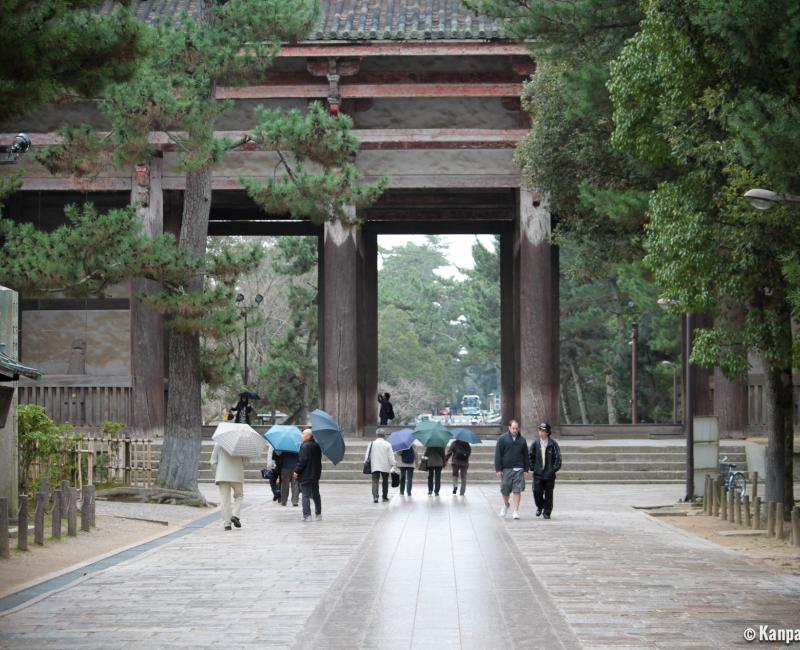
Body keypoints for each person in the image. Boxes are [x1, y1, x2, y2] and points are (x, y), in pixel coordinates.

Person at [494, 419, 529, 520]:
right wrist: (498, 469)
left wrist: (526, 469)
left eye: (516, 428)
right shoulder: (502, 439)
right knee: (505, 489)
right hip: (506, 469)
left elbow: (526, 456)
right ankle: (506, 505)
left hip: (519, 469)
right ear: (509, 428)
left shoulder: (522, 440)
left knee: (517, 490)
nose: (515, 430)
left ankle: (516, 511)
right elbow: (498, 455)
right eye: (513, 428)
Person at [530, 422, 562, 519]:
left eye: (543, 431)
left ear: (548, 432)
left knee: (549, 494)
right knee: (536, 491)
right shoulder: (535, 443)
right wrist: (532, 467)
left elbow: (558, 458)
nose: (541, 432)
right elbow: (530, 456)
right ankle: (540, 506)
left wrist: (553, 469)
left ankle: (547, 512)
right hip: (538, 473)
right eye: (540, 430)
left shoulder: (553, 444)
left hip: (549, 474)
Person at [210, 442, 245, 531]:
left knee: (225, 500)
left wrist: (217, 474)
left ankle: (227, 524)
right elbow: (245, 461)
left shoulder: (219, 443)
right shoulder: (241, 445)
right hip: (236, 475)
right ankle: (235, 515)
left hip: (222, 475)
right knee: (239, 495)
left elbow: (212, 461)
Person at [293, 428, 322, 522]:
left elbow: (302, 461)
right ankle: (318, 514)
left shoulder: (305, 446)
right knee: (316, 495)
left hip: (306, 475)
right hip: (315, 475)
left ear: (308, 436)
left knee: (305, 496)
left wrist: (296, 471)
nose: (301, 435)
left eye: (303, 434)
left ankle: (307, 515)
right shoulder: (317, 445)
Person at [365, 428, 396, 503]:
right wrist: (393, 464)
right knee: (385, 481)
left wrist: (366, 462)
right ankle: (384, 497)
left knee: (375, 481)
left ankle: (375, 497)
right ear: (384, 435)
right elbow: (391, 456)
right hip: (385, 466)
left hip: (374, 465)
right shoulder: (387, 444)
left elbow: (367, 455)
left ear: (376, 435)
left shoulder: (371, 444)